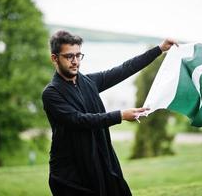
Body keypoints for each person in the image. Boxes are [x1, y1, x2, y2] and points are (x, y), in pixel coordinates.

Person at [42, 30, 177, 196]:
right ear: (54, 58)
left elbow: (125, 69)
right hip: (71, 173)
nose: (75, 61)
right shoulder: (51, 93)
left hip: (99, 161)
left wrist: (160, 49)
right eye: (69, 56)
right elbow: (79, 120)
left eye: (78, 55)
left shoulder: (88, 82)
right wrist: (120, 115)